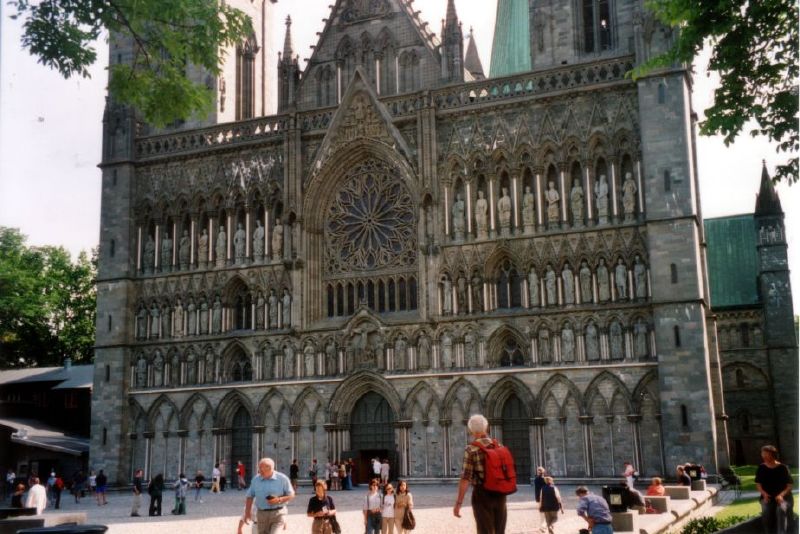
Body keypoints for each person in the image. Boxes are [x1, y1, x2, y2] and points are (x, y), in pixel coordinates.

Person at [453, 414, 508, 534]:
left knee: (484, 530)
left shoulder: (471, 449)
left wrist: (458, 503)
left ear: (471, 431)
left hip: (482, 494)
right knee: (499, 531)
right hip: (500, 494)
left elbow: (465, 478)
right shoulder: (499, 446)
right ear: (487, 428)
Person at [244, 457, 295, 534]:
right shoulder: (256, 479)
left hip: (278, 513)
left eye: (262, 469)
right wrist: (247, 512)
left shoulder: (282, 478)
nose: (260, 471)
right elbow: (249, 496)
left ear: (271, 468)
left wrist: (279, 500)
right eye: (259, 468)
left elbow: (291, 495)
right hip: (261, 514)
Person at [755, 444, 794, 534]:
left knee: (781, 509)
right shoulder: (761, 468)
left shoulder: (783, 468)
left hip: (785, 498)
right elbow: (758, 485)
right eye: (762, 454)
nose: (763, 456)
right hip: (767, 497)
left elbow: (790, 486)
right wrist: (764, 494)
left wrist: (781, 495)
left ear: (772, 455)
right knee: (766, 509)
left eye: (766, 454)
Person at [533, 466, 546, 532]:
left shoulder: (536, 479)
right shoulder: (545, 479)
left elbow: (537, 490)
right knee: (545, 511)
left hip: (539, 497)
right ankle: (544, 525)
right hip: (545, 497)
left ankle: (542, 526)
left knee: (542, 512)